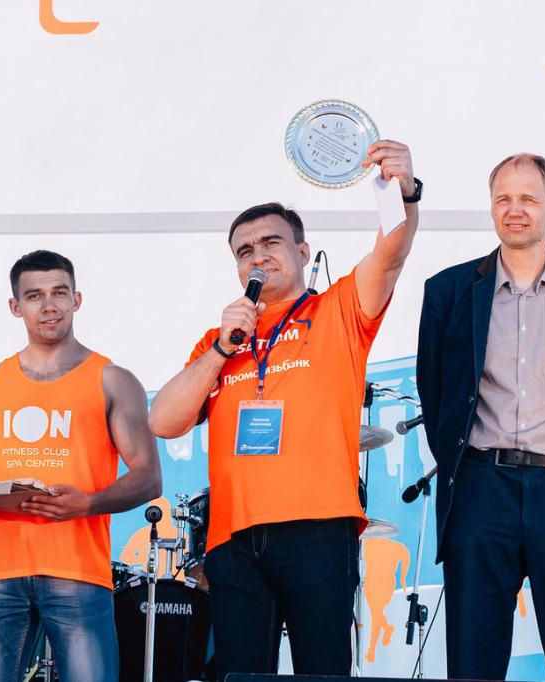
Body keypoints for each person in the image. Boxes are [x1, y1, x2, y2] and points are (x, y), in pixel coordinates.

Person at [148, 141, 421, 677]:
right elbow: (164, 421)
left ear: (302, 251)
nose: (257, 256)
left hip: (317, 528)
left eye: (271, 242)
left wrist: (403, 195)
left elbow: (391, 253)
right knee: (240, 672)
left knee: (322, 670)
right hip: (232, 538)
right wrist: (221, 349)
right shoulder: (219, 340)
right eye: (244, 251)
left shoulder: (339, 310)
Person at [416, 153, 545, 680]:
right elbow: (435, 393)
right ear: (492, 207)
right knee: (473, 664)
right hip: (479, 493)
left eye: (529, 199)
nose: (515, 210)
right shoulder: (446, 291)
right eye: (504, 199)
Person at [0, 250, 161, 682]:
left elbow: (148, 476)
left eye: (59, 293)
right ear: (16, 307)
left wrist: (88, 503)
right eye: (34, 296)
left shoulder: (113, 379)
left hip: (77, 570)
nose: (49, 306)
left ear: (77, 299)